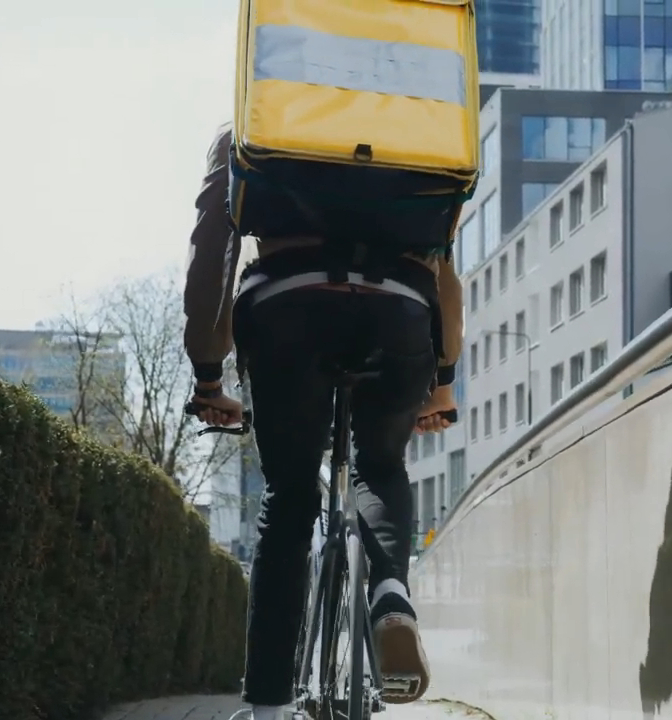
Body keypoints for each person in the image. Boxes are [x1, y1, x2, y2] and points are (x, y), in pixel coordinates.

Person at [183, 123, 463, 720]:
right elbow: (442, 261)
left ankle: (269, 707)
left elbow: (215, 246)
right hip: (401, 308)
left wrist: (209, 374)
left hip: (288, 301)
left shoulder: (256, 113)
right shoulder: (410, 113)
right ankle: (391, 594)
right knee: (381, 464)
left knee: (288, 497)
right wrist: (442, 381)